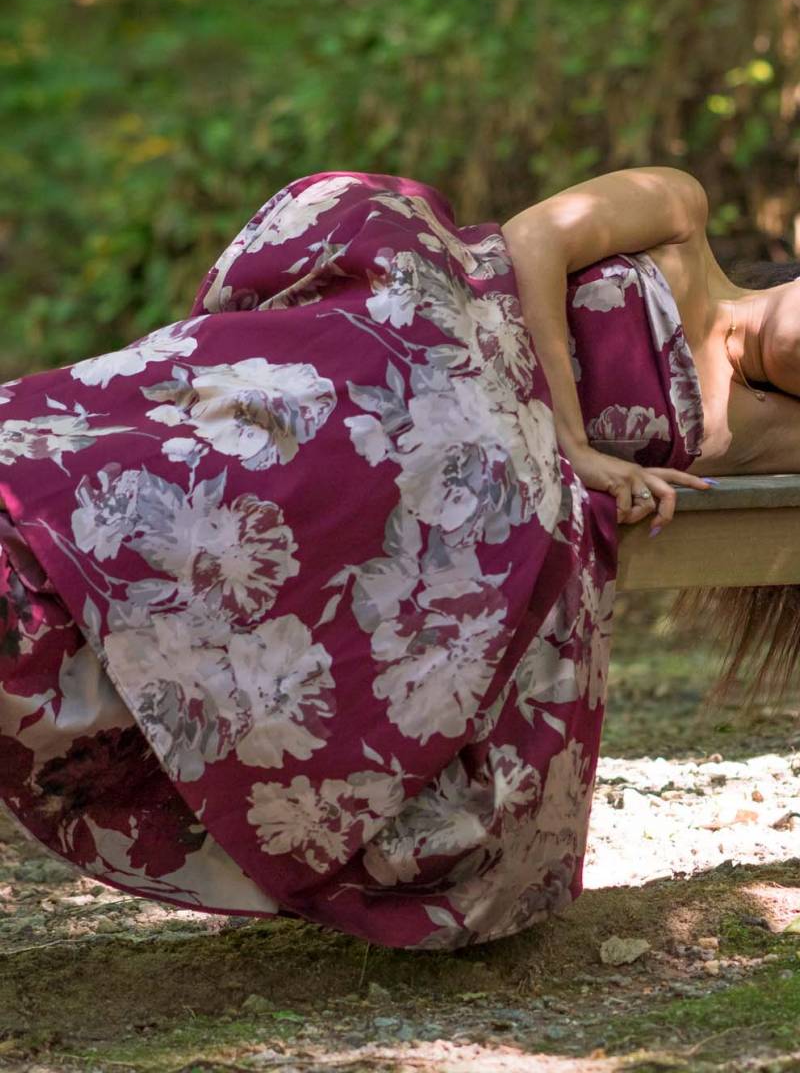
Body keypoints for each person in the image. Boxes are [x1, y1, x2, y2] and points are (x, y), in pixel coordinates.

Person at [0, 167, 793, 950]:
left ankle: (61, 589)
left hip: (450, 470)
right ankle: (37, 473)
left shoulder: (768, 427)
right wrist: (572, 444)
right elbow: (534, 239)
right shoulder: (680, 212)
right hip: (439, 331)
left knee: (345, 495)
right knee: (287, 420)